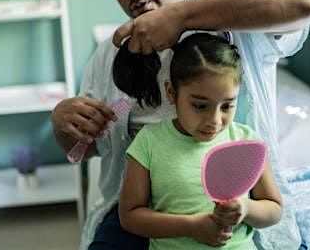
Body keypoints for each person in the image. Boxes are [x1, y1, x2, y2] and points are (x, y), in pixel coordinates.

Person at [51, 0, 310, 249]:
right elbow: (84, 151)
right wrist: (63, 126)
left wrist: (179, 17)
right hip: (145, 214)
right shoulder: (110, 56)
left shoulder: (232, 6)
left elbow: (304, 5)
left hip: (235, 204)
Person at [116, 32, 282, 249]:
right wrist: (190, 226)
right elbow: (130, 216)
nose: (214, 121)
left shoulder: (246, 141)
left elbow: (274, 210)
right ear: (171, 93)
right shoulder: (149, 142)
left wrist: (246, 209)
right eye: (200, 106)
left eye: (227, 106)